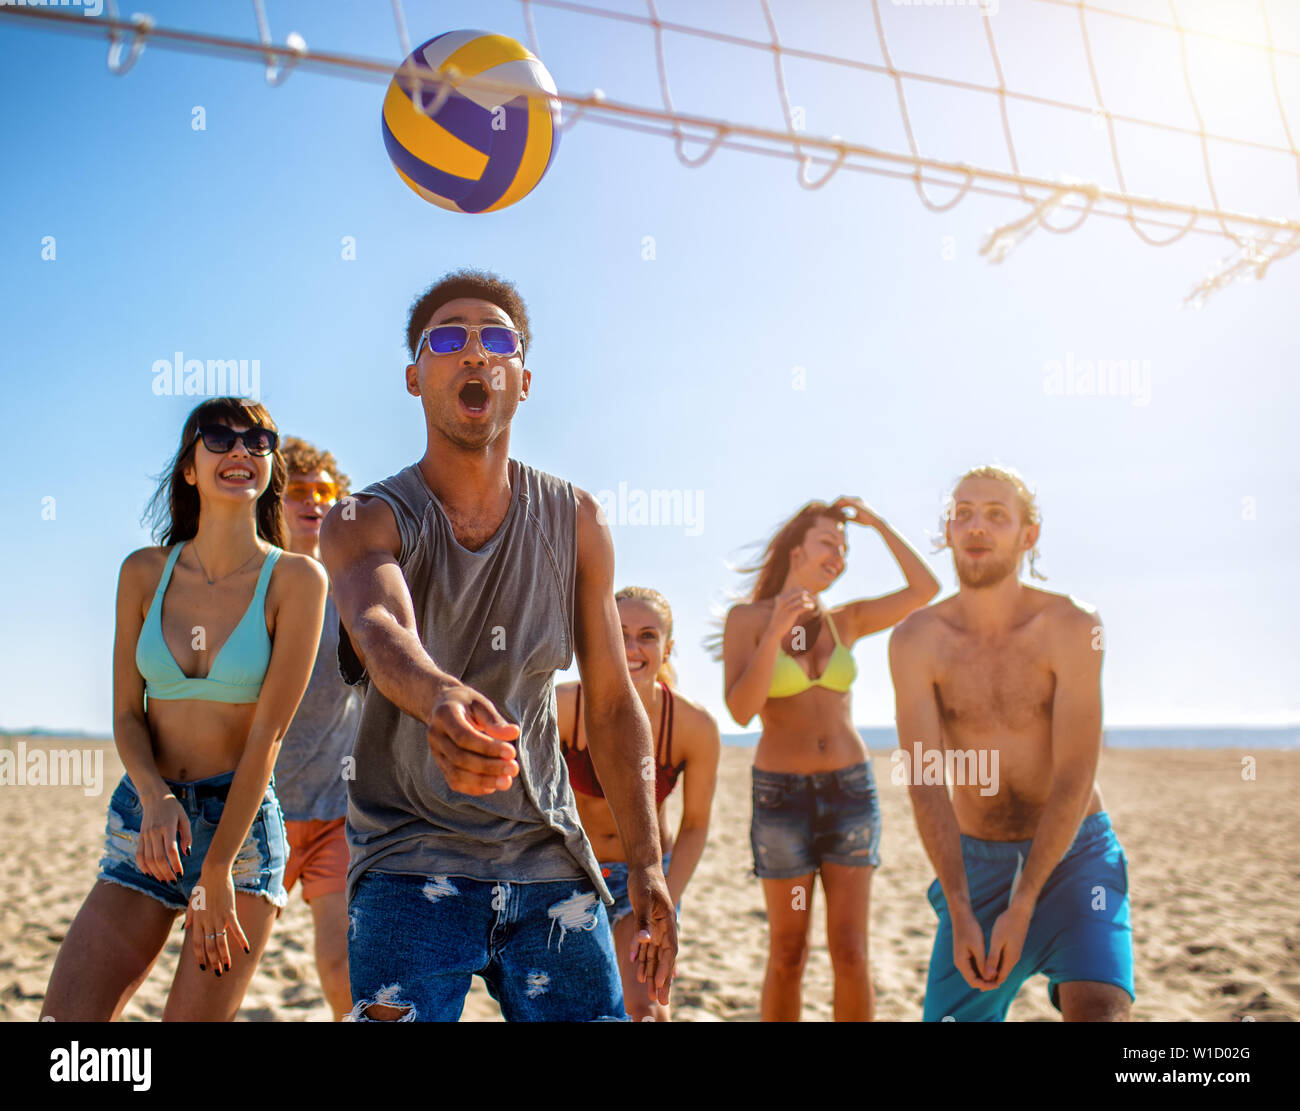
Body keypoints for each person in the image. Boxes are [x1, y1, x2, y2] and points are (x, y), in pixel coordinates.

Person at [320, 268, 677, 1022]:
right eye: (448, 338)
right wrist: (437, 695)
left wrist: (645, 860)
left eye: (498, 340)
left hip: (547, 850)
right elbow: (379, 623)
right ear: (416, 377)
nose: (475, 354)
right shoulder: (364, 516)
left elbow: (612, 702)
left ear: (524, 378)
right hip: (408, 854)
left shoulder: (574, 518)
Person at [41, 398, 327, 1021]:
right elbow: (125, 713)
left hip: (240, 836)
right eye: (219, 438)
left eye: (258, 441)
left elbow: (269, 736)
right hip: (147, 820)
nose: (240, 452)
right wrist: (153, 796)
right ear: (190, 468)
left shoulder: (297, 581)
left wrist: (219, 868)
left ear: (272, 466)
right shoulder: (143, 573)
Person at [888, 464, 1133, 1022]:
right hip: (975, 869)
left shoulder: (1072, 626)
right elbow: (926, 783)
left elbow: (1075, 773)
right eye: (963, 514)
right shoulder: (915, 641)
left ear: (1029, 536)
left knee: (1101, 1014)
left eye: (997, 515)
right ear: (947, 532)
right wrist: (959, 906)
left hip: (1076, 851)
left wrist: (1024, 904)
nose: (977, 526)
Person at [721, 496, 940, 1021]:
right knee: (788, 953)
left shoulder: (849, 619)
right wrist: (776, 631)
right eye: (828, 543)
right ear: (796, 549)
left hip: (850, 792)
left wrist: (879, 524)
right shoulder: (747, 620)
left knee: (851, 950)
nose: (838, 556)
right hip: (781, 798)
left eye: (844, 548)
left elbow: (925, 590)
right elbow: (741, 711)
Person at [557, 586, 721, 1021]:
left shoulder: (694, 726)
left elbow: (696, 824)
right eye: (620, 631)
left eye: (648, 635)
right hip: (570, 873)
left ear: (668, 647)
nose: (632, 647)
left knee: (646, 1009)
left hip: (645, 877)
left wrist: (668, 898)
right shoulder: (563, 708)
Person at [273, 436, 361, 1020]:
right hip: (259, 813)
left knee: (340, 970)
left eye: (325, 492)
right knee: (230, 959)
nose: (313, 502)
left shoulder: (357, 589)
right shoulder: (256, 584)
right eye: (297, 491)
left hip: (336, 813)